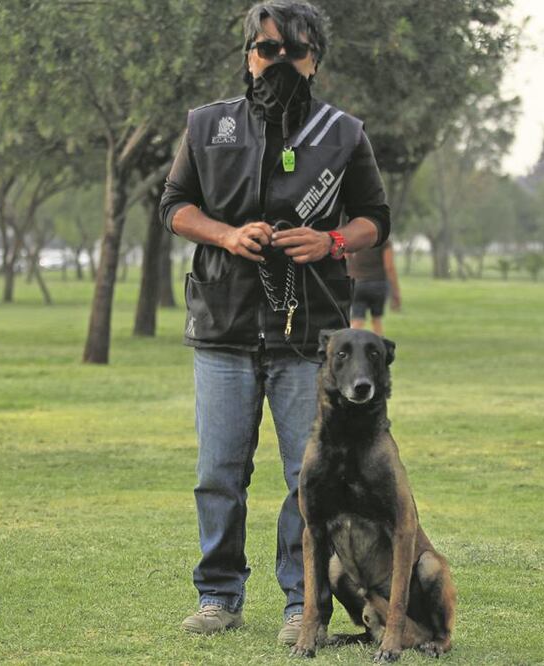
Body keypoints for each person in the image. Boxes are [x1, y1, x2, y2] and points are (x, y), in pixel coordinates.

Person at [159, 0, 391, 645]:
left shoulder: (343, 133)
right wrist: (227, 235)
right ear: (248, 57)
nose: (280, 61)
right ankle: (218, 596)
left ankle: (303, 604)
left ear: (315, 59)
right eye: (267, 50)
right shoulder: (206, 125)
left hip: (309, 334)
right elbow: (174, 206)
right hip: (223, 326)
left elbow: (375, 217)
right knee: (219, 473)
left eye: (294, 51)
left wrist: (331, 241)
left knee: (305, 478)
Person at [347, 241, 401, 335]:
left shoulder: (355, 238)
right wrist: (396, 291)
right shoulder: (384, 241)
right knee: (377, 320)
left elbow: (346, 256)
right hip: (378, 284)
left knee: (357, 320)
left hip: (357, 284)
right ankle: (378, 343)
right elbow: (389, 267)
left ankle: (351, 342)